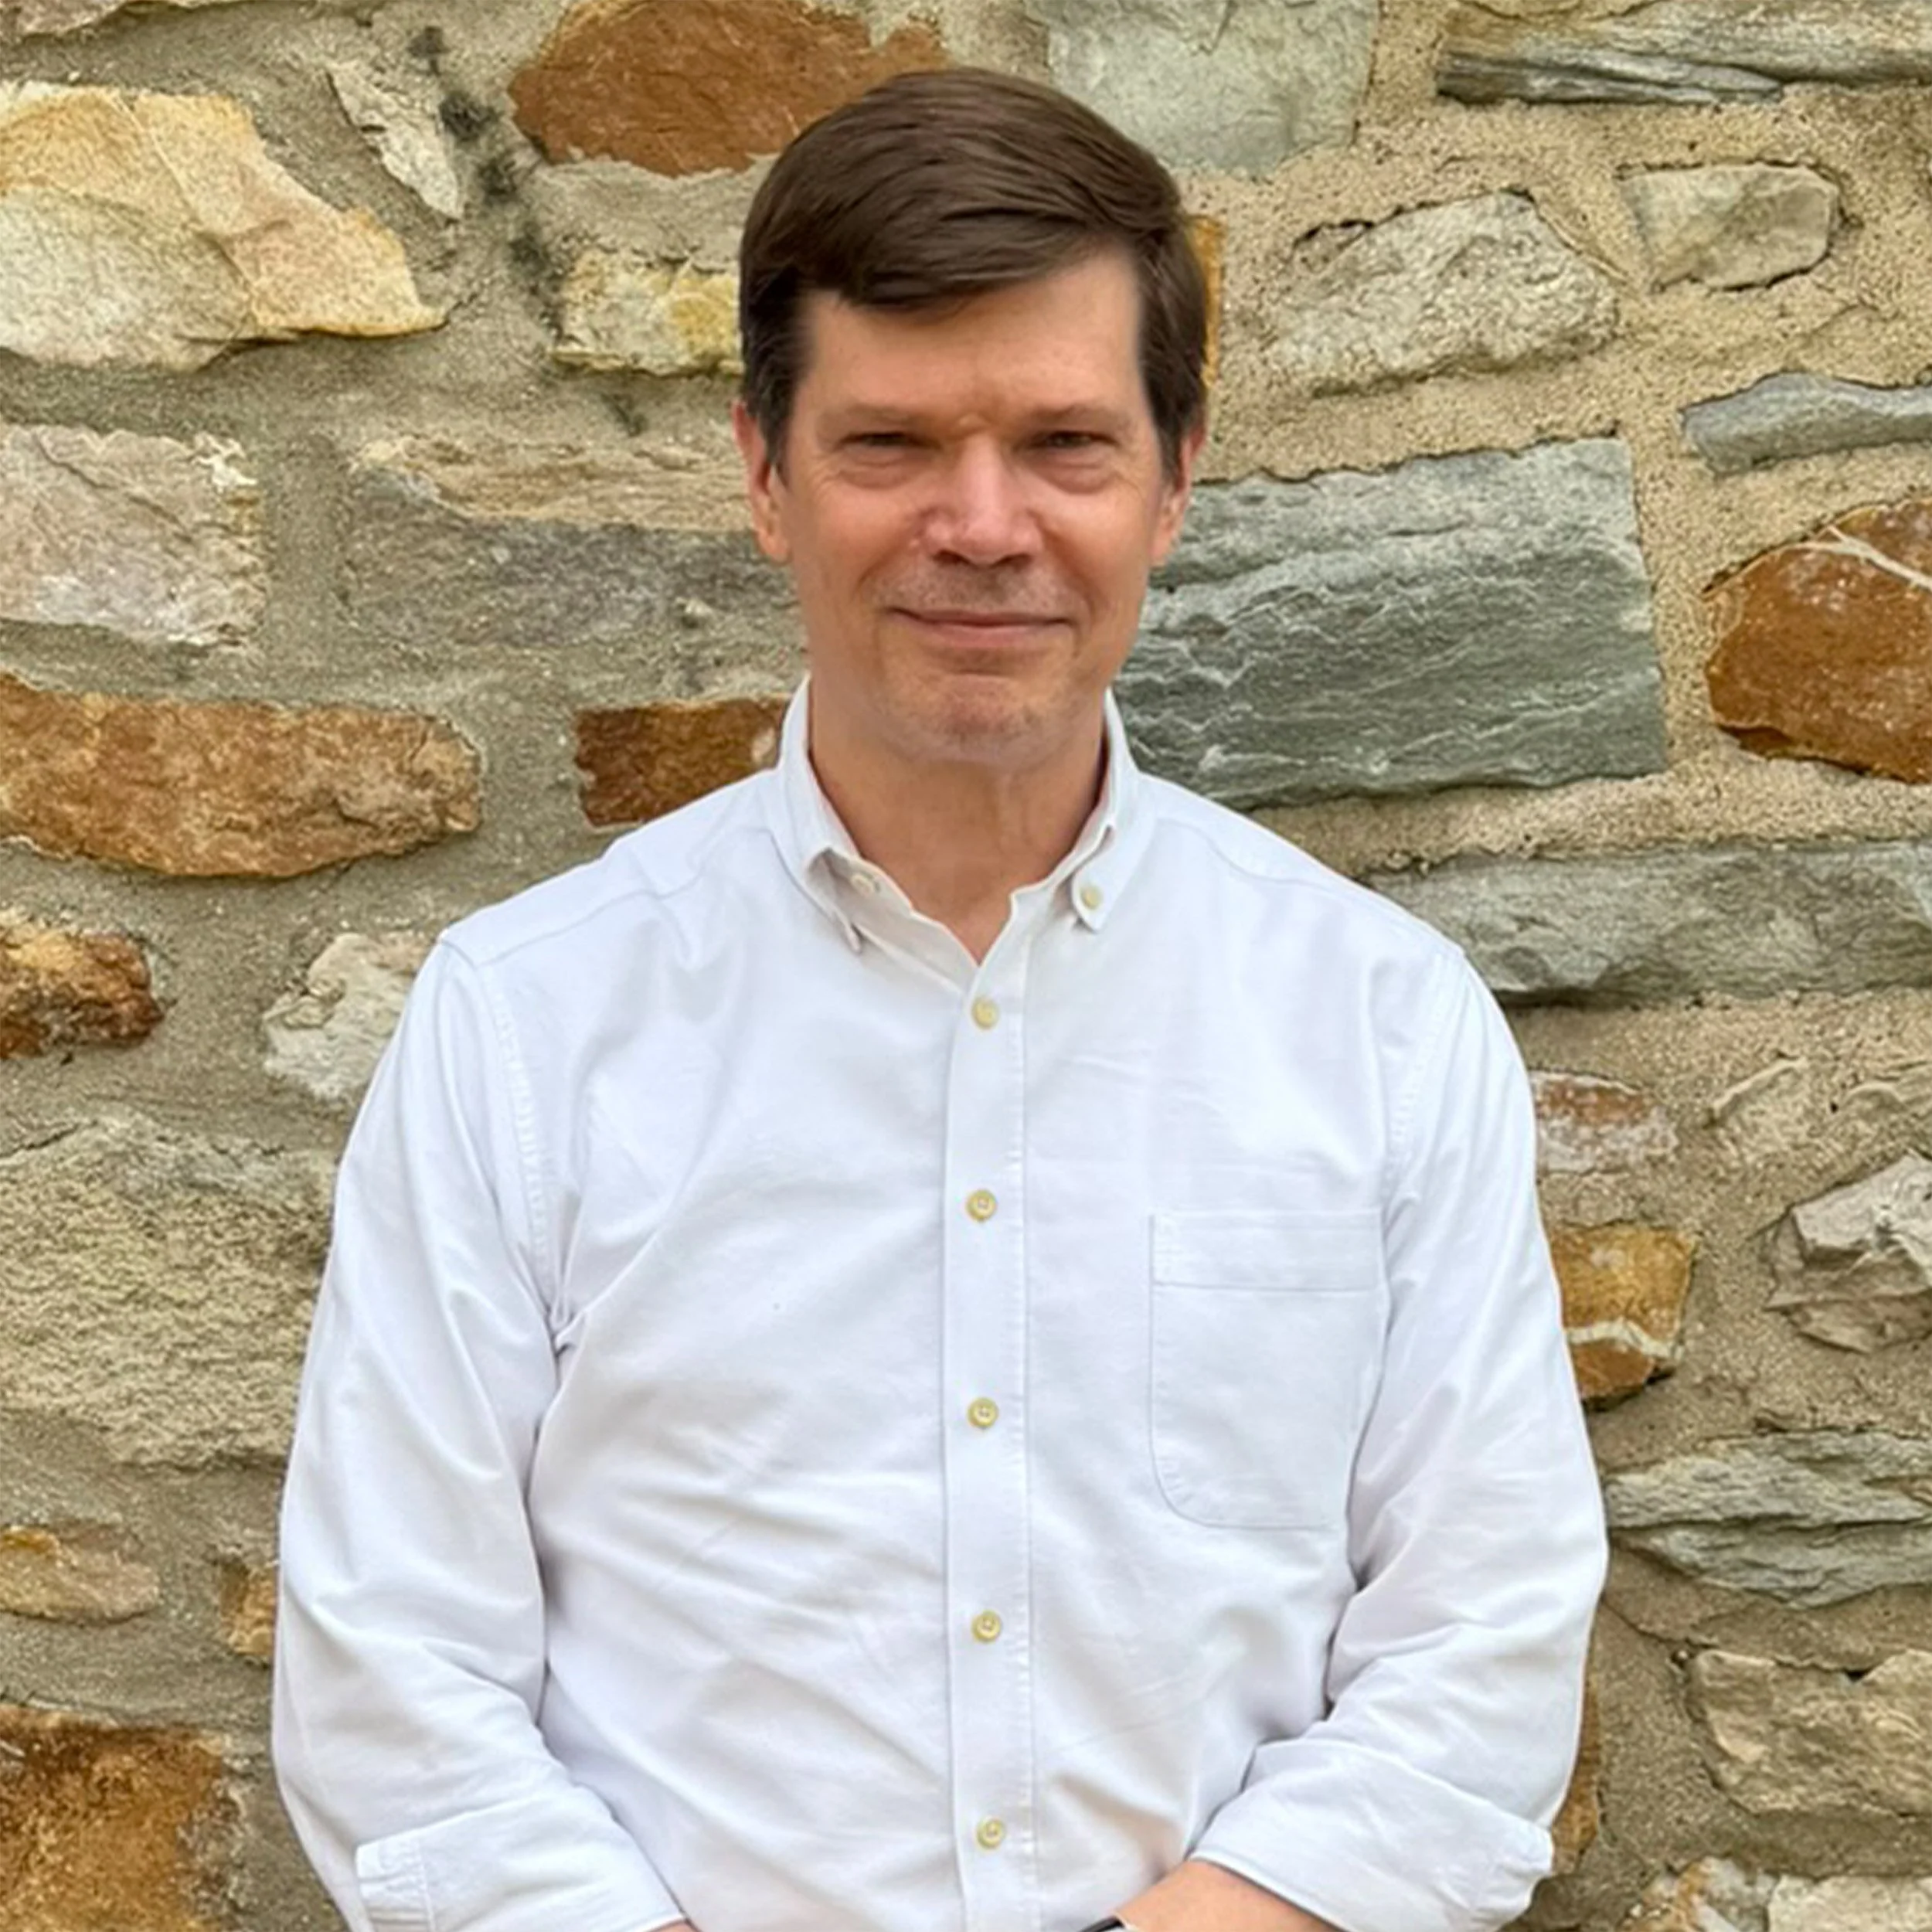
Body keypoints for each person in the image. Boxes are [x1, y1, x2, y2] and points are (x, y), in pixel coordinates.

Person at [274, 66, 1607, 1932]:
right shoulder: (524, 1025)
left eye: (1063, 443)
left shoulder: (1377, 1020)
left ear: (1174, 473)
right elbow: (391, 1681)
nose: (981, 525)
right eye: (889, 444)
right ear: (762, 470)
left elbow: (1477, 1652)